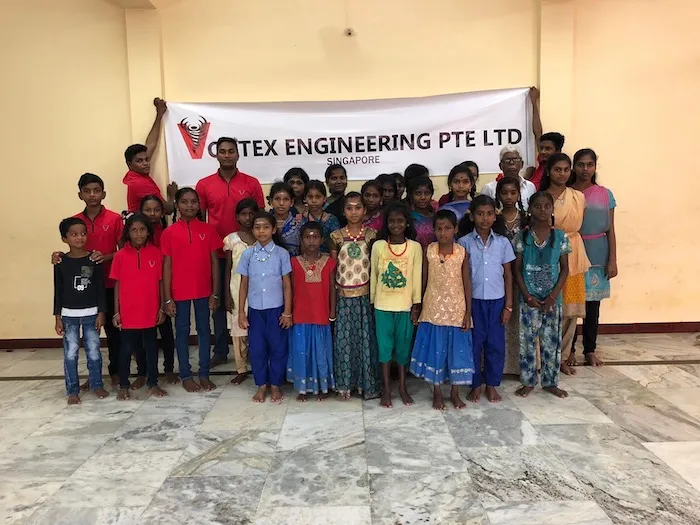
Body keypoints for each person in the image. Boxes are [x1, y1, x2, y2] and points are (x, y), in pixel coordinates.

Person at [195, 137, 265, 369]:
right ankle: (221, 350)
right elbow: (199, 218)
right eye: (222, 151)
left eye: (231, 151)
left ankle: (255, 350)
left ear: (237, 154)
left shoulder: (251, 183)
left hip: (249, 251)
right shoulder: (204, 185)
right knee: (220, 301)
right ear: (217, 155)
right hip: (218, 253)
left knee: (250, 302)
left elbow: (261, 217)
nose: (226, 155)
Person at [52, 173, 123, 389]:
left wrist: (106, 256)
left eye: (96, 190)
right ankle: (92, 378)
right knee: (88, 339)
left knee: (113, 332)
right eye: (87, 191)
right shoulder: (75, 222)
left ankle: (116, 373)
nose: (92, 195)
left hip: (111, 282)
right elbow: (71, 252)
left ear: (103, 193)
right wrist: (58, 255)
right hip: (85, 289)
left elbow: (123, 250)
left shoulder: (114, 219)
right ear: (80, 194)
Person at [410, 210, 474, 410]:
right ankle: (437, 392)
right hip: (433, 309)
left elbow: (467, 283)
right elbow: (424, 279)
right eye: (439, 228)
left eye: (447, 228)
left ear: (455, 229)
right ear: (434, 230)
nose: (443, 232)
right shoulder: (429, 250)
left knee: (457, 353)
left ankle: (455, 393)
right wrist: (418, 304)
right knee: (435, 352)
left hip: (456, 310)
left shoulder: (462, 252)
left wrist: (468, 312)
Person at [162, 188, 222, 393]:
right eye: (185, 202)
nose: (190, 206)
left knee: (205, 331)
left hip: (204, 291)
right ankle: (186, 375)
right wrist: (167, 298)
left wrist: (215, 292)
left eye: (194, 202)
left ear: (199, 205)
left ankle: (204, 373)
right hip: (179, 292)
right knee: (182, 331)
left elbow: (215, 262)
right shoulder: (169, 233)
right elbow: (167, 266)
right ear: (177, 205)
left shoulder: (208, 230)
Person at [513, 192, 570, 398]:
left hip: (552, 300)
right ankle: (528, 381)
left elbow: (564, 269)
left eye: (547, 206)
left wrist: (554, 295)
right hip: (529, 299)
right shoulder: (522, 237)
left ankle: (550, 382)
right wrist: (527, 295)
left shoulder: (560, 237)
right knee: (527, 340)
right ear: (530, 209)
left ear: (552, 209)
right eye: (538, 206)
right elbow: (517, 269)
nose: (543, 210)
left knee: (552, 342)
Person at [458, 195, 515, 403]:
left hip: (497, 301)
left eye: (489, 214)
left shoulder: (502, 243)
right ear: (472, 216)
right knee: (474, 345)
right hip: (473, 302)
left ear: (495, 216)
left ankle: (491, 385)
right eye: (480, 214)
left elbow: (508, 274)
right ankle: (475, 385)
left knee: (495, 345)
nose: (485, 218)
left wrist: (508, 305)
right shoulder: (463, 243)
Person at [541, 153, 590, 376]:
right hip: (548, 252)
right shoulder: (541, 197)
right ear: (549, 171)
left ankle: (561, 357)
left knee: (570, 312)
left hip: (574, 250)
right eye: (557, 169)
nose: (562, 173)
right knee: (547, 308)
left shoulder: (578, 196)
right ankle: (543, 357)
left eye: (566, 169)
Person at [237, 211, 293, 404]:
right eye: (257, 227)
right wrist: (241, 313)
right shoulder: (247, 254)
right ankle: (261, 384)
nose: (261, 231)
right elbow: (243, 284)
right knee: (258, 349)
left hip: (276, 310)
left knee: (278, 348)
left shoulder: (282, 254)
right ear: (252, 230)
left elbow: (287, 285)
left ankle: (276, 384)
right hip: (255, 311)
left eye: (266, 227)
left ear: (273, 229)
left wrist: (287, 312)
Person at [329, 192, 381, 400]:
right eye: (349, 208)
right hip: (343, 297)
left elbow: (377, 267)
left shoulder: (372, 236)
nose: (353, 212)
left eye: (358, 207)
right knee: (344, 341)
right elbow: (333, 269)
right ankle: (345, 383)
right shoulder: (335, 236)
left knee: (366, 341)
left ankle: (365, 383)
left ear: (364, 210)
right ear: (343, 211)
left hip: (365, 297)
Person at [370, 202, 422, 408]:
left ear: (407, 223)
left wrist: (416, 305)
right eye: (391, 221)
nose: (396, 225)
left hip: (405, 306)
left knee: (402, 349)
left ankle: (402, 387)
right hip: (382, 306)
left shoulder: (415, 247)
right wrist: (373, 302)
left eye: (400, 221)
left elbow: (417, 277)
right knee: (384, 349)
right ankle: (386, 388)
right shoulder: (378, 246)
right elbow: (374, 275)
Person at [111, 214, 167, 400]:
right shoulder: (120, 256)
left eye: (142, 229)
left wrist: (161, 308)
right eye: (134, 230)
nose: (138, 234)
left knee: (151, 349)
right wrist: (116, 311)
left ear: (148, 232)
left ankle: (153, 383)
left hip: (150, 311)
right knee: (126, 350)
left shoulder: (156, 253)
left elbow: (160, 282)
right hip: (128, 313)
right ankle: (124, 385)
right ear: (128, 232)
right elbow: (117, 285)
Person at [569, 149, 617, 366]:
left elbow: (611, 229)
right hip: (572, 251)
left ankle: (589, 350)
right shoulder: (567, 193)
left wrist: (612, 259)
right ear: (574, 167)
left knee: (592, 306)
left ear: (595, 166)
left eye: (589, 164)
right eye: (580, 164)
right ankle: (568, 349)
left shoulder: (605, 194)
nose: (585, 169)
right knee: (570, 305)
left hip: (598, 252)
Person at [54, 217, 109, 404]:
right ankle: (72, 390)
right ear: (65, 239)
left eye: (83, 233)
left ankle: (97, 385)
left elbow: (100, 288)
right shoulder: (61, 262)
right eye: (74, 234)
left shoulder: (94, 259)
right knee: (71, 354)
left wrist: (101, 312)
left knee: (94, 351)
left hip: (91, 314)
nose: (79, 238)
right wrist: (57, 317)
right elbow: (58, 291)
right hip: (69, 316)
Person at [287, 222, 337, 401]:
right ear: (301, 240)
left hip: (321, 316)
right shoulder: (293, 263)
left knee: (321, 353)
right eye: (307, 237)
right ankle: (302, 389)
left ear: (321, 239)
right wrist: (289, 312)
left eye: (315, 237)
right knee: (302, 352)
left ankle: (322, 387)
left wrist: (332, 311)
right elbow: (290, 289)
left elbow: (332, 288)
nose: (311, 241)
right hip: (300, 316)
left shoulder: (329, 263)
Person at [139, 195, 178, 384]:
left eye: (156, 210)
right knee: (142, 332)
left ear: (163, 212)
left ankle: (169, 368)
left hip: (163, 287)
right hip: (141, 289)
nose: (152, 214)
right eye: (148, 210)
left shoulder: (168, 232)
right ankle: (143, 371)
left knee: (166, 330)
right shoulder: (136, 234)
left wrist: (166, 296)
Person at [495, 177, 528, 376]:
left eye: (513, 193)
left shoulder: (525, 218)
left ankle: (518, 366)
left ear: (519, 194)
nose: (509, 197)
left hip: (523, 273)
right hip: (500, 275)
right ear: (498, 195)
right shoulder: (494, 218)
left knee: (519, 320)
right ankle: (503, 365)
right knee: (503, 319)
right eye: (504, 193)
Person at [224, 198, 259, 385]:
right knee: (239, 333)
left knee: (258, 330)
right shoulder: (231, 240)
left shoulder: (262, 237)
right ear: (237, 217)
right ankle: (241, 368)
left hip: (259, 293)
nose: (248, 217)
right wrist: (226, 295)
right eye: (244, 214)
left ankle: (259, 365)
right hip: (236, 291)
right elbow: (228, 268)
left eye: (251, 213)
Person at [122, 98, 177, 215]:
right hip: (144, 229)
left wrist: (159, 114)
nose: (146, 163)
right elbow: (168, 209)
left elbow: (150, 144)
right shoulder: (141, 184)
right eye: (140, 161)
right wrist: (173, 196)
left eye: (147, 159)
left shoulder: (135, 175)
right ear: (129, 165)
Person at [525, 87, 566, 190]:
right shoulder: (542, 163)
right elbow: (537, 132)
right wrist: (533, 102)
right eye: (542, 148)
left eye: (548, 149)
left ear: (558, 151)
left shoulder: (559, 173)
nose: (542, 151)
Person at [301, 180, 340, 253]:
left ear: (324, 198)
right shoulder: (300, 219)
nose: (314, 200)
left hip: (328, 259)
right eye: (310, 197)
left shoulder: (332, 220)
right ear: (305, 198)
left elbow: (336, 245)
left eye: (318, 197)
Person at [269, 181, 303, 256]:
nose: (281, 203)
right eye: (277, 199)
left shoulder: (299, 224)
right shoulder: (264, 223)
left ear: (292, 202)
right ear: (271, 201)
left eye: (286, 199)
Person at [408, 176, 437, 249]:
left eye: (427, 193)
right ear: (411, 195)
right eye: (418, 193)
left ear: (432, 194)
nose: (423, 197)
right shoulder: (408, 218)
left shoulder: (436, 218)